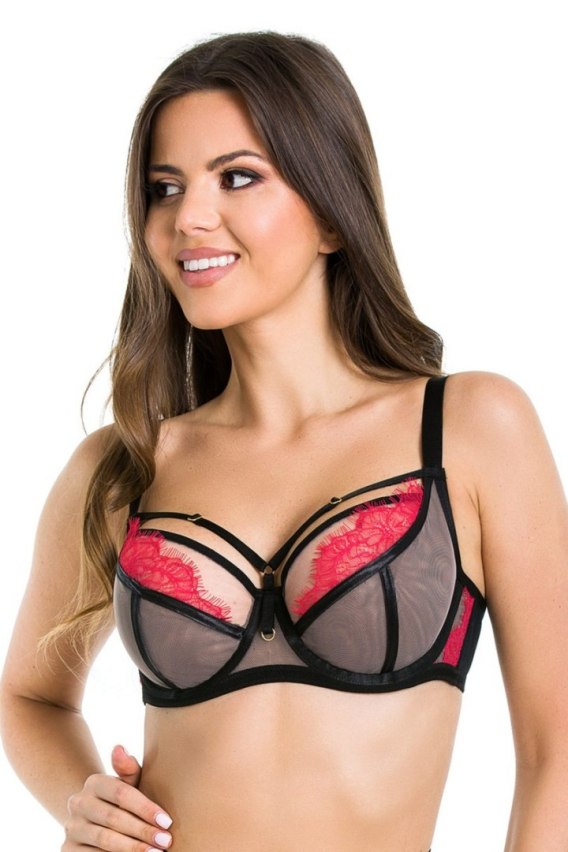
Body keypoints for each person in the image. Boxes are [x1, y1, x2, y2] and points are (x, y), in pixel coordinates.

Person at [1, 30, 567, 852]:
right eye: (165, 188)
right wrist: (81, 802)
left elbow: (555, 751)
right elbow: (28, 697)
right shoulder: (124, 467)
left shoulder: (471, 430)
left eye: (237, 177)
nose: (190, 218)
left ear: (333, 212)